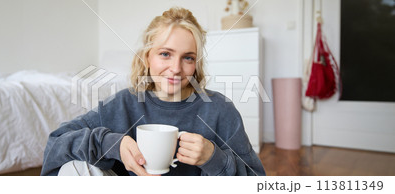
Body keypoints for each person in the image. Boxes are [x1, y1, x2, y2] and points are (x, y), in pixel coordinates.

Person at [41, 7, 265, 176]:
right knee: (76, 168)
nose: (176, 69)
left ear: (197, 63)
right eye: (165, 54)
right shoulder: (123, 103)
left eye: (188, 57)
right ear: (147, 57)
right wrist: (111, 144)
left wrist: (214, 158)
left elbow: (257, 179)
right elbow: (55, 143)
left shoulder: (219, 110)